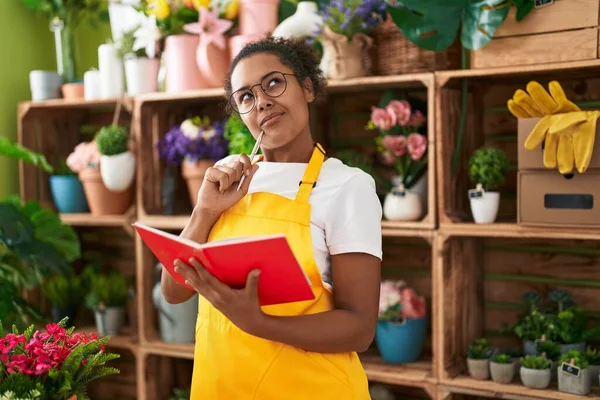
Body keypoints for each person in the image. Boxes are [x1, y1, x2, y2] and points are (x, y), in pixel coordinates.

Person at [161, 36, 383, 399]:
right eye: (246, 96)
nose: (262, 100)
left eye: (274, 83)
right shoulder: (226, 180)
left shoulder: (346, 186)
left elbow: (359, 328)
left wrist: (260, 324)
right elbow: (173, 292)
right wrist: (204, 211)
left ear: (307, 88)